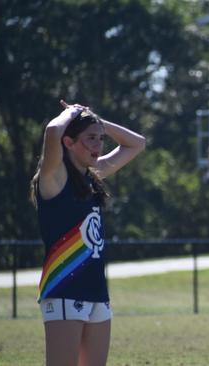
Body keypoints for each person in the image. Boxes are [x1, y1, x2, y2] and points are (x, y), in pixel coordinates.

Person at [29, 100, 145, 365]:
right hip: (63, 290)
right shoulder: (53, 177)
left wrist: (98, 121)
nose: (98, 145)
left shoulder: (93, 176)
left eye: (100, 139)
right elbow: (51, 132)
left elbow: (137, 143)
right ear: (69, 143)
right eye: (90, 138)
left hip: (96, 292)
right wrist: (73, 112)